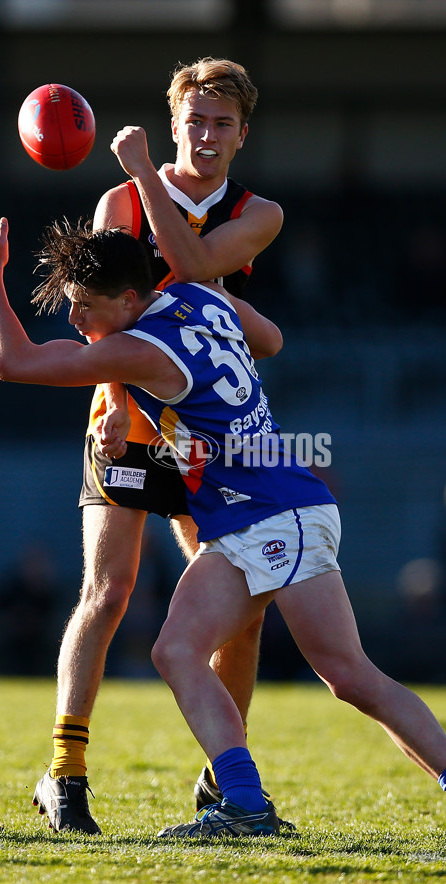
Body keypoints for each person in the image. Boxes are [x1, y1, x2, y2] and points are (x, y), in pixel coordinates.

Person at [0, 201, 446, 844]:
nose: (75, 319)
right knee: (344, 674)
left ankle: (244, 802)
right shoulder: (203, 299)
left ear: (126, 299)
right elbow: (271, 341)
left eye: (84, 306)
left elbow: (14, 362)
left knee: (201, 654)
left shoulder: (141, 351)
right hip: (293, 504)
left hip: (261, 517)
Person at [41, 58, 285, 833]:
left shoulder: (260, 212)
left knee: (242, 615)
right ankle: (65, 772)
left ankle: (225, 781)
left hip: (207, 435)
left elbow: (195, 264)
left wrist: (147, 170)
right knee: (107, 591)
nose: (206, 136)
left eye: (221, 124)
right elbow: (98, 317)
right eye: (194, 121)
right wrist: (110, 397)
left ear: (242, 135)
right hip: (130, 415)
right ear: (174, 121)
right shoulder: (119, 199)